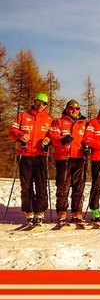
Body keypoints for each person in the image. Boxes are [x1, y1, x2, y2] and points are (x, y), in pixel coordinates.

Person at [9, 92, 53, 224]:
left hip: (40, 155)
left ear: (46, 105)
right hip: (25, 155)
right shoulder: (23, 116)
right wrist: (20, 135)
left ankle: (40, 211)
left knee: (41, 185)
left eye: (43, 103)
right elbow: (12, 130)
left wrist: (48, 140)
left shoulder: (49, 119)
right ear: (34, 102)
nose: (40, 105)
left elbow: (54, 136)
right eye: (38, 102)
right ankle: (28, 211)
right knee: (26, 185)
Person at [48, 99, 87, 223]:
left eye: (77, 108)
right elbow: (53, 137)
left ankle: (77, 211)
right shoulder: (59, 122)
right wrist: (62, 140)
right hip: (64, 157)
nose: (74, 111)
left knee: (79, 186)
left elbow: (88, 138)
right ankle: (62, 210)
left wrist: (87, 148)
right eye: (72, 108)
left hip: (79, 158)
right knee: (63, 186)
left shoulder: (84, 123)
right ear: (66, 109)